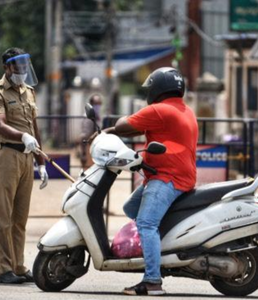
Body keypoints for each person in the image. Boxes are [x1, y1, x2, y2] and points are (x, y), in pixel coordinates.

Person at [97, 67, 198, 295]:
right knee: (130, 207)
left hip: (167, 178)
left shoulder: (159, 110)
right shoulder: (183, 110)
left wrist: (114, 126)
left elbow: (126, 125)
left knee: (146, 223)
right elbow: (136, 130)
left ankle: (153, 280)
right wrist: (107, 133)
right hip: (177, 175)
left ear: (158, 88)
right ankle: (156, 247)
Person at [0, 47, 49, 284]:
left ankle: (18, 266)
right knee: (3, 216)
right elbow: (0, 125)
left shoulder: (28, 91)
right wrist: (22, 137)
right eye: (17, 66)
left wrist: (41, 162)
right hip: (6, 156)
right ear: (7, 68)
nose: (22, 70)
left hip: (26, 158)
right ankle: (4, 270)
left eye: (24, 66)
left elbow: (34, 127)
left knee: (20, 217)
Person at [80, 94, 102, 169]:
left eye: (99, 103)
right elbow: (84, 135)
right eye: (96, 104)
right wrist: (83, 153)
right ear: (91, 104)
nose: (98, 106)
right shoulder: (88, 117)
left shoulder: (97, 116)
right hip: (89, 146)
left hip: (96, 146)